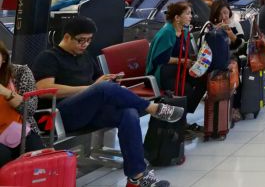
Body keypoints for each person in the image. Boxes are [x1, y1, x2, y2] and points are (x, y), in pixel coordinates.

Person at [33, 17, 184, 187]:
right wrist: (91, 88)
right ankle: (152, 108)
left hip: (89, 112)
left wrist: (110, 81)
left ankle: (136, 177)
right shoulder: (49, 57)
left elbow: (99, 84)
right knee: (103, 88)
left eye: (89, 40)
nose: (85, 44)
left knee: (128, 113)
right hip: (61, 115)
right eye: (81, 40)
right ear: (67, 37)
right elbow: (44, 89)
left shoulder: (85, 56)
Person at [145, 2, 207, 119]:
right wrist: (182, 61)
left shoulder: (184, 31)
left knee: (203, 81)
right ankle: (181, 120)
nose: (191, 16)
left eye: (190, 13)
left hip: (177, 70)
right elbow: (161, 59)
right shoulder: (167, 32)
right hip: (161, 73)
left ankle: (183, 116)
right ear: (177, 18)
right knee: (187, 89)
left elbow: (184, 54)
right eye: (187, 14)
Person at [0, 41, 43, 167]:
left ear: (3, 57)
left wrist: (6, 93)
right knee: (2, 156)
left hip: (20, 128)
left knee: (35, 155)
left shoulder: (20, 72)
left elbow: (30, 109)